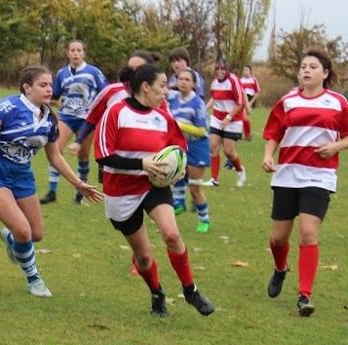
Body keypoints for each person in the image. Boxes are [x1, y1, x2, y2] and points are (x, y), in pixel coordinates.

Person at [0, 66, 102, 297]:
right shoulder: (7, 107)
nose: (49, 89)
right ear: (27, 88)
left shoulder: (50, 118)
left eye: (50, 85)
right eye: (43, 85)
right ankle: (34, 279)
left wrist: (78, 183)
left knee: (36, 233)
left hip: (21, 176)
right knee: (23, 231)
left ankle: (11, 238)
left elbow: (55, 156)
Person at [94, 64, 215, 317]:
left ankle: (191, 290)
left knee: (171, 234)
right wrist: (142, 163)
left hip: (153, 185)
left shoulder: (163, 116)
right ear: (145, 87)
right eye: (162, 86)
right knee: (144, 257)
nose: (166, 91)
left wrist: (178, 166)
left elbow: (178, 147)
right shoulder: (116, 112)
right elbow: (104, 157)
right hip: (120, 192)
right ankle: (157, 292)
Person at [261, 48, 348, 317]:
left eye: (313, 66)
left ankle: (304, 295)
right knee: (278, 238)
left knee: (307, 233)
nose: (306, 70)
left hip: (320, 176)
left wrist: (335, 146)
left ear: (325, 73)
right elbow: (273, 133)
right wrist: (268, 156)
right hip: (287, 174)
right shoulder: (288, 101)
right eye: (303, 66)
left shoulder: (338, 102)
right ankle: (281, 269)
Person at [67, 50, 161, 181]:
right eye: (130, 68)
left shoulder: (158, 99)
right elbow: (92, 119)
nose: (131, 73)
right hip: (114, 157)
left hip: (149, 159)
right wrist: (78, 141)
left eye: (137, 69)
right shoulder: (111, 91)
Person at [40, 40, 108, 204]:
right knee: (55, 150)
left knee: (83, 156)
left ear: (83, 53)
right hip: (66, 117)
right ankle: (52, 192)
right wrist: (53, 102)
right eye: (72, 50)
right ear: (68, 53)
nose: (76, 53)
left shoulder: (93, 72)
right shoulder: (62, 73)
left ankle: (81, 192)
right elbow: (54, 95)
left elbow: (106, 92)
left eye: (79, 50)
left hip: (87, 119)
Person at [168, 68, 211, 233]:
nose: (183, 82)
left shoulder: (198, 103)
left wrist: (180, 126)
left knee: (195, 189)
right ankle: (178, 203)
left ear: (194, 84)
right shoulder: (173, 100)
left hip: (197, 146)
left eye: (187, 79)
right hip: (180, 145)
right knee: (174, 174)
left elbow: (201, 130)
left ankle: (204, 219)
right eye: (180, 79)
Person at [206, 59, 247, 187]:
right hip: (217, 118)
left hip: (233, 120)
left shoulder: (233, 80)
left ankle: (240, 170)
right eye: (217, 69)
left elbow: (240, 103)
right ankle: (214, 179)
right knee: (213, 147)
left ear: (227, 70)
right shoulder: (214, 83)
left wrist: (229, 117)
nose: (220, 71)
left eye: (222, 69)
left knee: (228, 151)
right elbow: (214, 98)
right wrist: (205, 108)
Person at [240, 64, 261, 141]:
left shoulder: (253, 80)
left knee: (244, 117)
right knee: (243, 117)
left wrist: (251, 103)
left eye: (247, 70)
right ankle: (245, 134)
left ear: (250, 71)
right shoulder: (240, 80)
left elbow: (258, 92)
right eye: (244, 70)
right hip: (242, 100)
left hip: (250, 99)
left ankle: (247, 134)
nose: (245, 72)